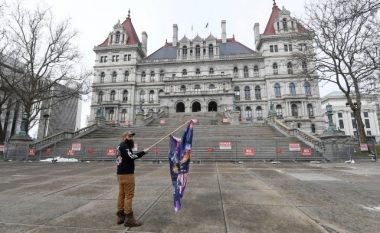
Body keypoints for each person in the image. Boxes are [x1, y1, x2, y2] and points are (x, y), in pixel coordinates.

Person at [116, 131, 149, 227]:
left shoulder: (120, 146)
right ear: (124, 137)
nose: (131, 138)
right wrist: (143, 152)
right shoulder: (124, 146)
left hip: (120, 173)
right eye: (129, 136)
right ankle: (129, 218)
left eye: (132, 136)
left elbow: (127, 156)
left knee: (121, 194)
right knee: (129, 195)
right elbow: (131, 157)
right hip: (127, 174)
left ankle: (120, 216)